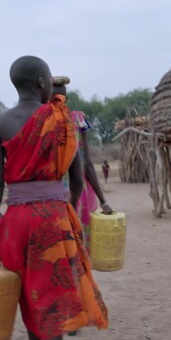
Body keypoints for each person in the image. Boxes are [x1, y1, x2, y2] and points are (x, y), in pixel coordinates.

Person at [0, 56, 108, 340]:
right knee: (53, 307)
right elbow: (77, 179)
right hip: (53, 219)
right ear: (41, 82)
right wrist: (66, 209)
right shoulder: (62, 118)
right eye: (50, 78)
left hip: (15, 222)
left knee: (29, 300)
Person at [51, 76, 113, 252]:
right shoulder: (77, 120)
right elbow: (87, 165)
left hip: (52, 196)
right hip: (79, 195)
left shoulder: (39, 122)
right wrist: (103, 201)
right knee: (79, 246)